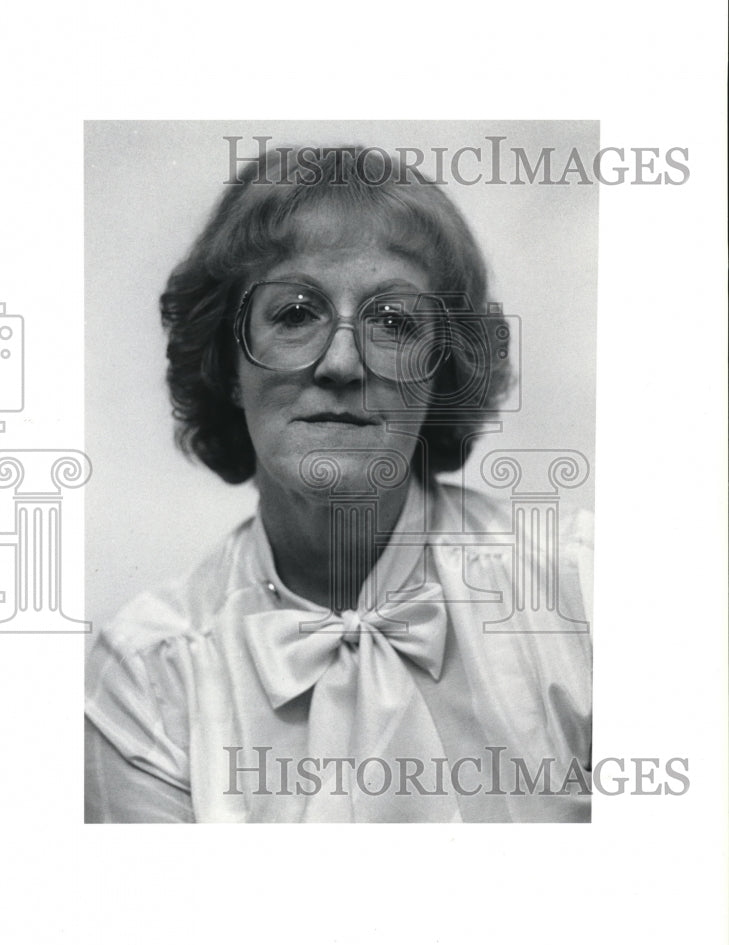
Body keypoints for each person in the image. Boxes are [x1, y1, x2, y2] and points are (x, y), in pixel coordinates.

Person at [85, 145, 592, 823]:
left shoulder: (583, 594)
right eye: (295, 314)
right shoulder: (150, 674)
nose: (342, 362)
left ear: (440, 372)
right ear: (227, 364)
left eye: (394, 322)